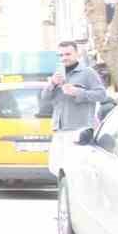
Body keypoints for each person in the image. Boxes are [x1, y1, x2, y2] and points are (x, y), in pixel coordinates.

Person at [41, 40, 108, 176]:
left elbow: (101, 95)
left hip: (79, 130)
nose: (64, 58)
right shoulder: (57, 74)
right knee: (57, 169)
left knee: (76, 172)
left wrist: (78, 92)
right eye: (60, 55)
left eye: (68, 54)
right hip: (59, 130)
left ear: (77, 54)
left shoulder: (88, 73)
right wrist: (53, 84)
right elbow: (45, 98)